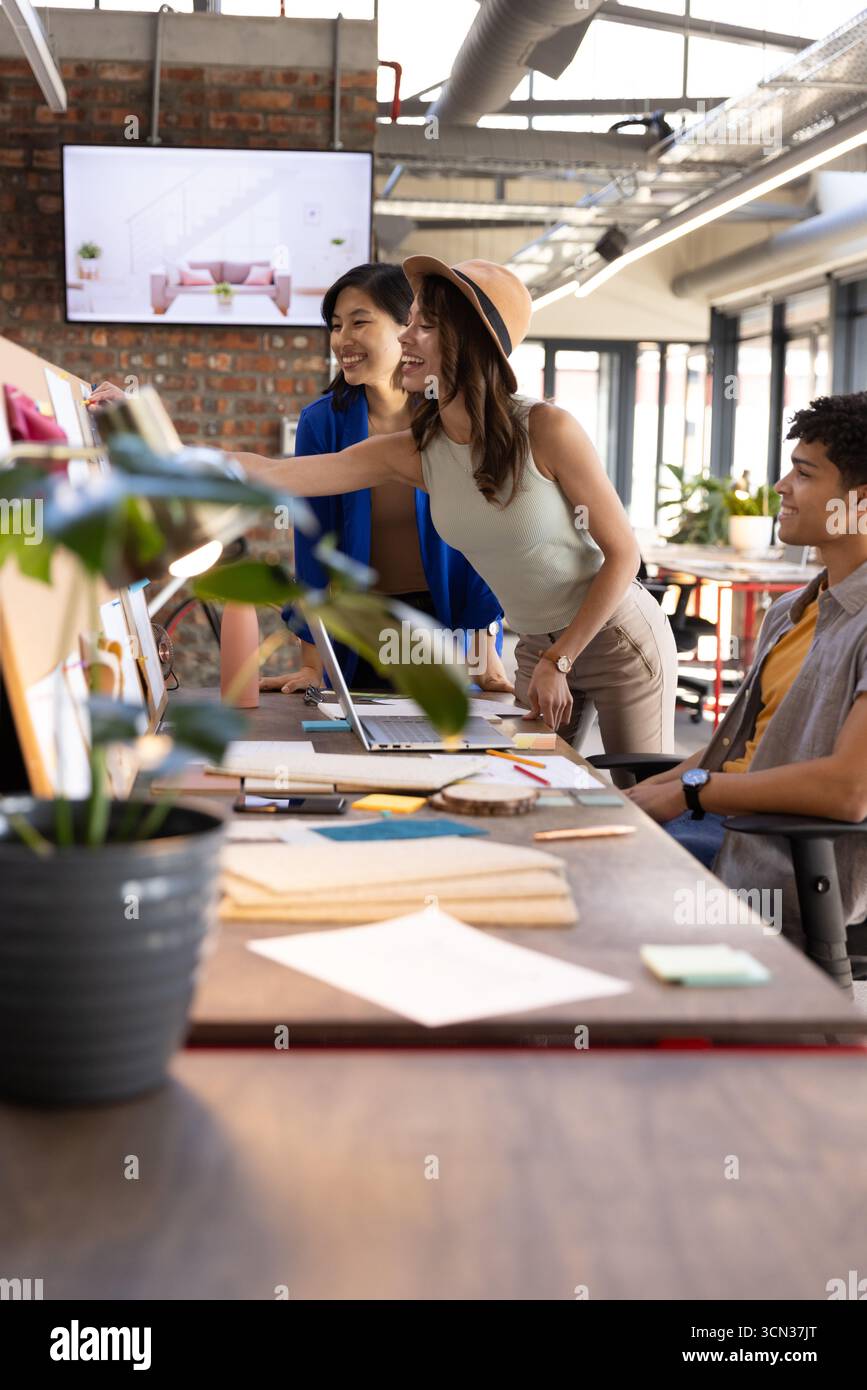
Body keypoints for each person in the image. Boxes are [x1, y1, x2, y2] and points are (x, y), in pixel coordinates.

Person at [232, 256, 677, 757]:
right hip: (537, 645)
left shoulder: (548, 428)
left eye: (424, 326)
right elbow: (276, 473)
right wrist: (154, 442)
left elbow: (624, 556)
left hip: (617, 640)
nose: (405, 337)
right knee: (522, 785)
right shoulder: (419, 448)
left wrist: (560, 658)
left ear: (466, 342)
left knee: (644, 794)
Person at [88, 262, 510, 697]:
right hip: (361, 627)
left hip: (451, 629)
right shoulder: (323, 423)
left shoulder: (452, 419)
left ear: (409, 326)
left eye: (360, 322)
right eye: (335, 326)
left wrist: (484, 645)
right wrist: (312, 663)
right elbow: (313, 543)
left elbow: (479, 542)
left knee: (454, 749)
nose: (343, 339)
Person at [627, 391, 867, 945]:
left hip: (790, 868)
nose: (781, 487)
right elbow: (743, 750)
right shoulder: (792, 610)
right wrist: (657, 788)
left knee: (593, 890)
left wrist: (691, 793)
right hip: (725, 826)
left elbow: (849, 790)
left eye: (804, 474)